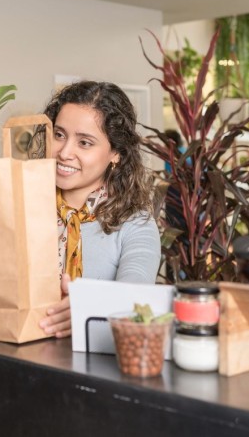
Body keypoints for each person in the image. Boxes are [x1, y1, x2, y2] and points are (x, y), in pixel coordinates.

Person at [38, 81, 160, 338]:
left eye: (84, 142)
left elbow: (136, 295)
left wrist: (87, 305)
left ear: (116, 152)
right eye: (59, 135)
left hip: (98, 358)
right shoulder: (24, 206)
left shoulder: (135, 224)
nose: (65, 152)